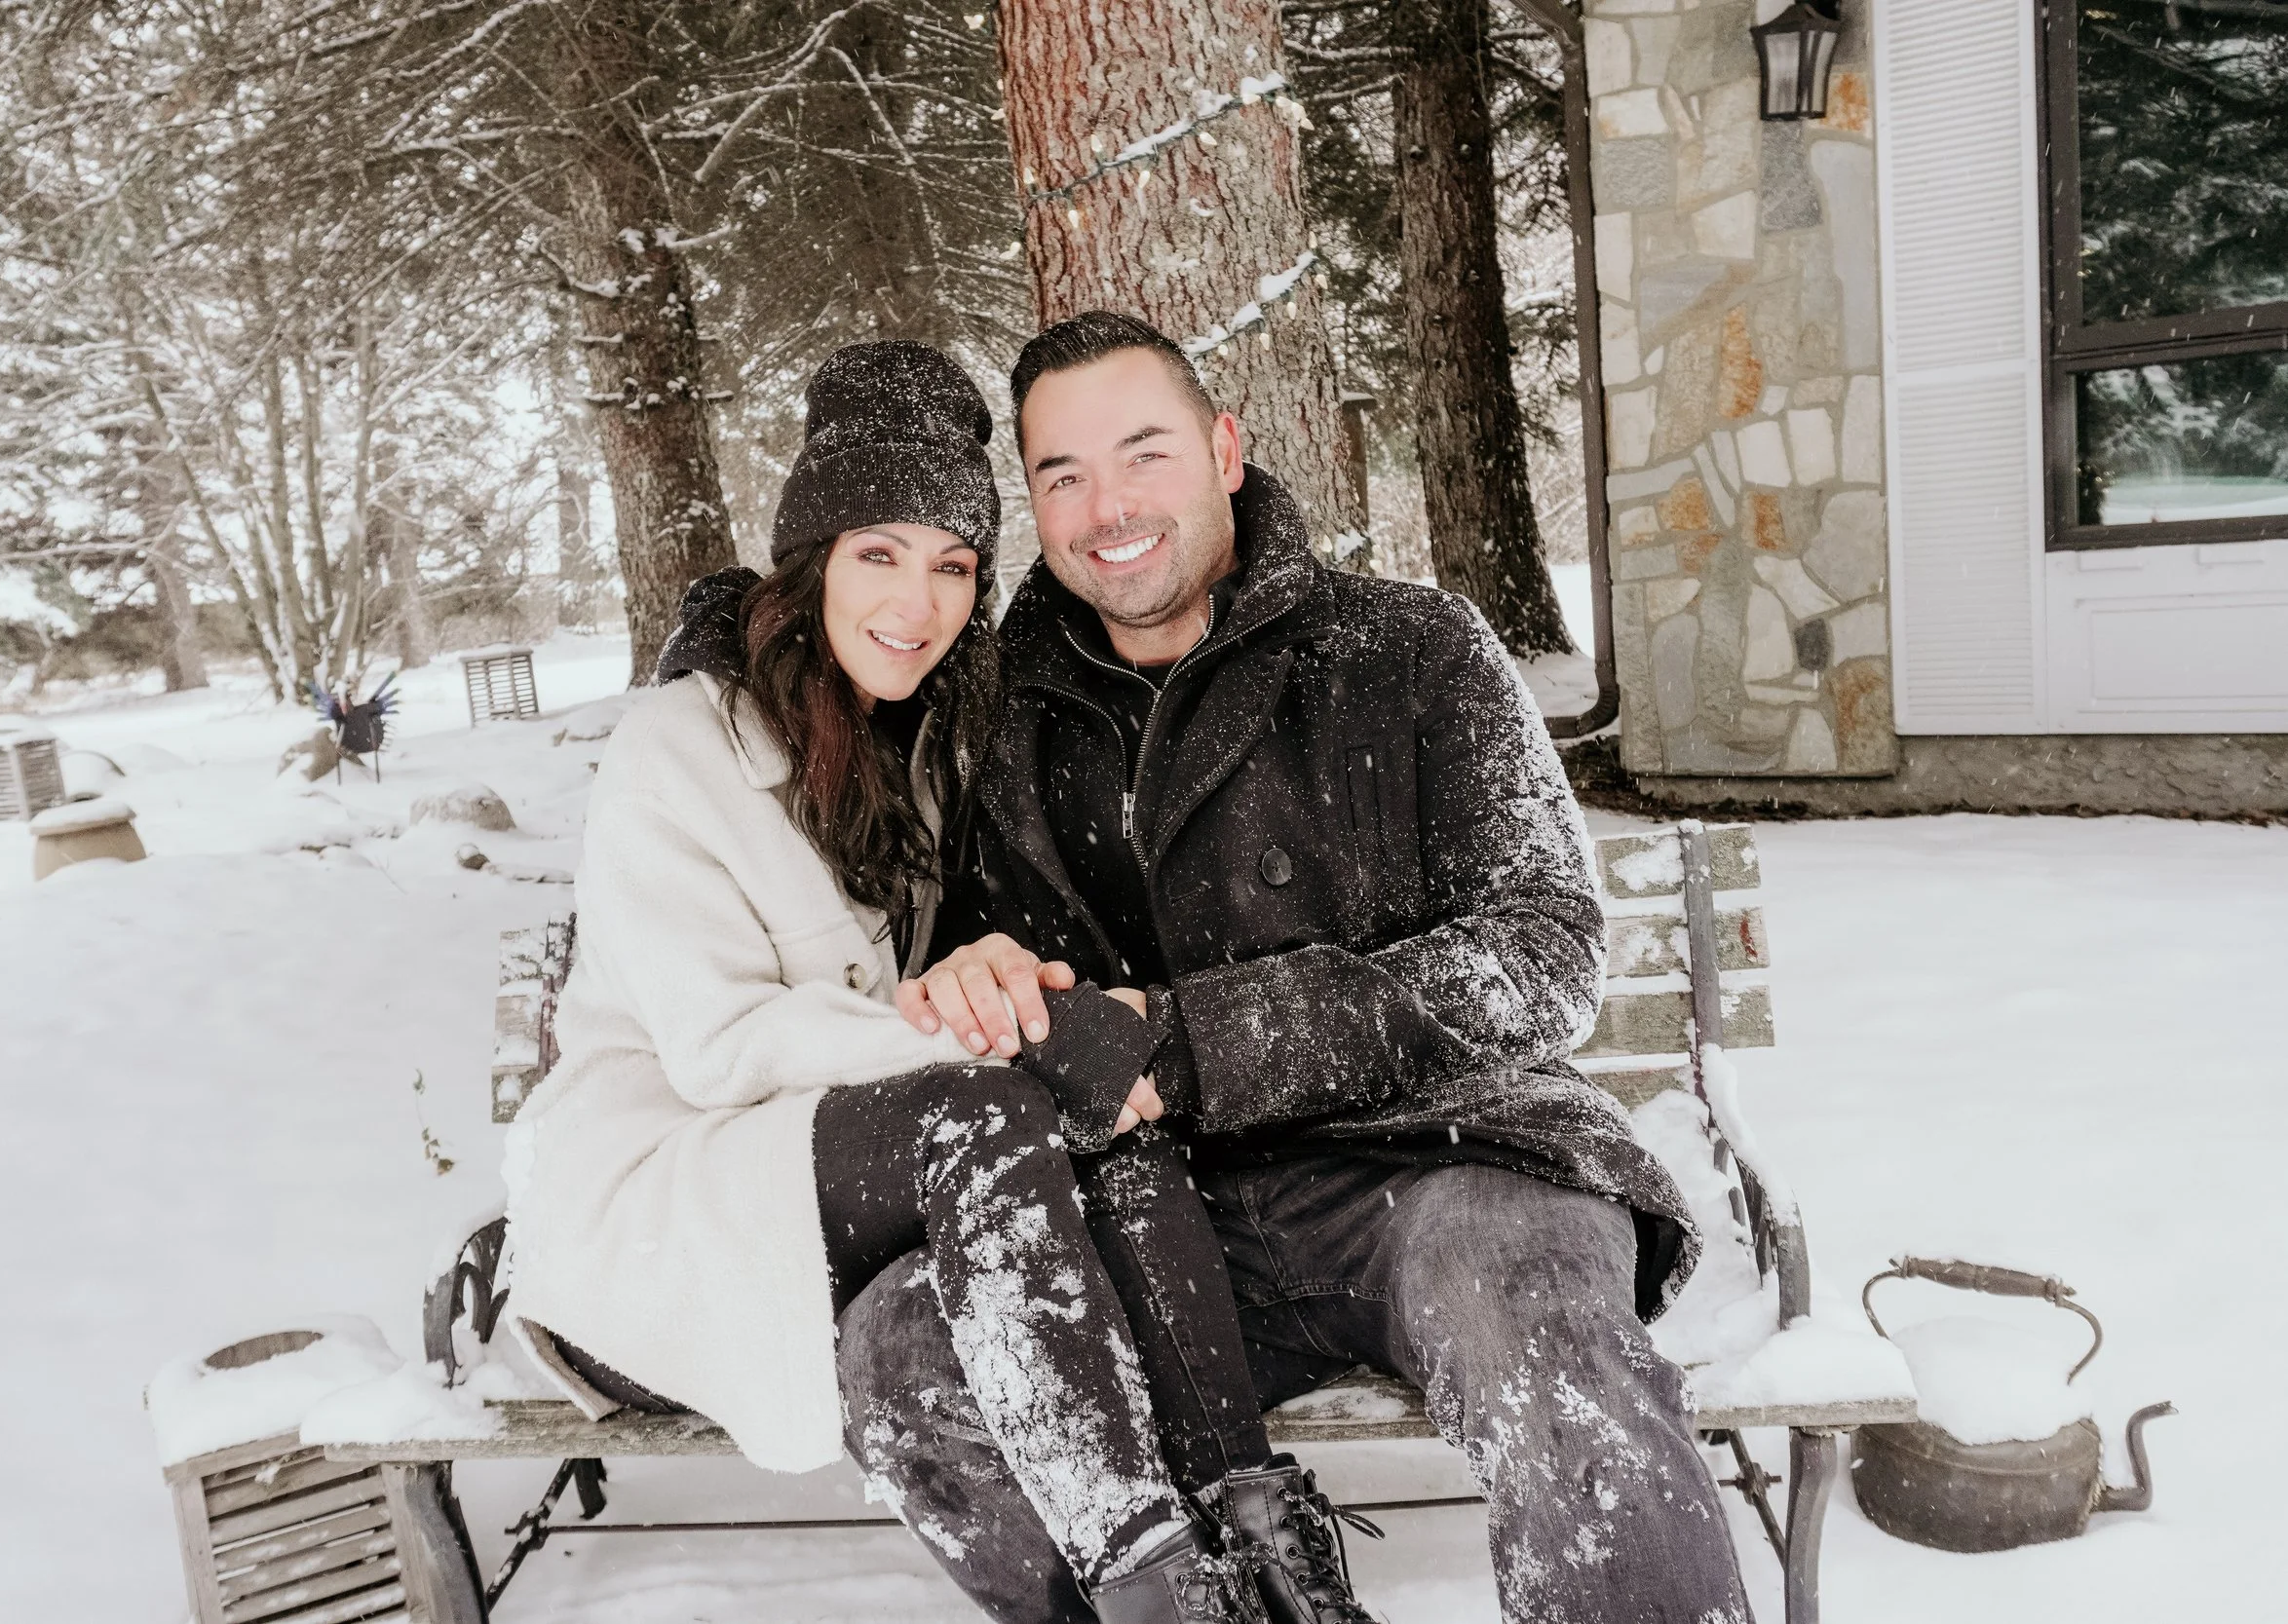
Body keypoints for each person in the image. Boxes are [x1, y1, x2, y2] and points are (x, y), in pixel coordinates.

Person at [872, 313, 1756, 1624]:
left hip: (1446, 1162)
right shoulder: (988, 722)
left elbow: (1544, 950)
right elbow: (916, 961)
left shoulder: (1409, 648)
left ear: (1226, 451)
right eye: (1063, 475)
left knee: (1539, 1328)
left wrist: (1191, 1042)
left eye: (1145, 453)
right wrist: (970, 975)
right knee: (907, 1348)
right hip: (1150, 1209)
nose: (1108, 508)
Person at [501, 339, 1335, 1624]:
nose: (919, 600)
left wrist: (1005, 995)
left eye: (953, 565)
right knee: (993, 1104)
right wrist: (978, 1031)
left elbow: (932, 993)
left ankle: (1263, 1540)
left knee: (1100, 1107)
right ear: (812, 563)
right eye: (879, 554)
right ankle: (1156, 1590)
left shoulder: (928, 753)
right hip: (672, 1212)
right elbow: (722, 1048)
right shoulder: (678, 747)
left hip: (844, 1168)